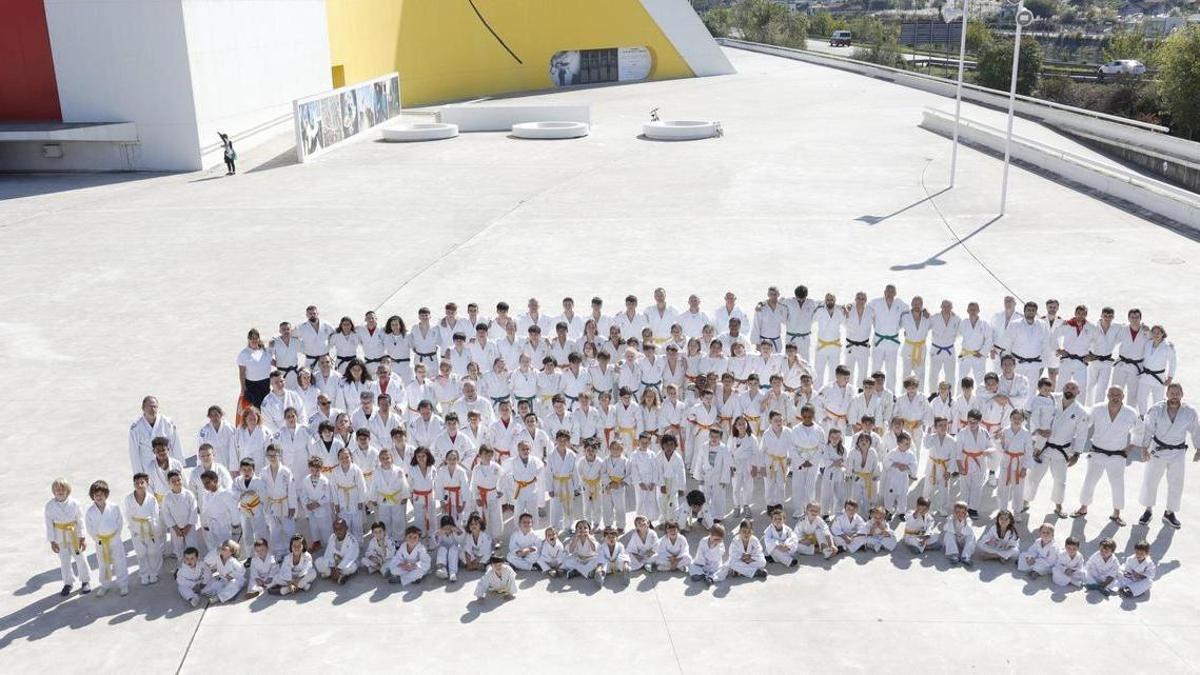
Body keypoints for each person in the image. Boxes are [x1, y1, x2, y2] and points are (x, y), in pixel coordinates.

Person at [1072, 386, 1139, 526]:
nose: (1115, 397)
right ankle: (1083, 507)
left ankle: (1117, 513)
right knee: (1089, 481)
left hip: (1118, 455)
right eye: (1112, 394)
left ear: (1123, 396)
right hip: (1097, 452)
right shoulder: (1097, 408)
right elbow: (1084, 423)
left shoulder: (1131, 412)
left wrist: (1130, 447)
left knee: (1118, 485)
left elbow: (1139, 431)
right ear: (1107, 395)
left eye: (1118, 394)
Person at [1137, 383, 1198, 530]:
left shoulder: (1189, 412)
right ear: (1167, 394)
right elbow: (1148, 429)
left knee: (1176, 483)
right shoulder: (1156, 409)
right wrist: (1144, 447)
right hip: (1158, 450)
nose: (1174, 396)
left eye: (1177, 393)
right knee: (1150, 480)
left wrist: (1199, 448)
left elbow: (1196, 430)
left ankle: (1169, 512)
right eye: (1172, 393)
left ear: (1182, 395)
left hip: (1177, 452)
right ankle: (1148, 510)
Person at [44, 478, 92, 596]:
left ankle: (85, 580)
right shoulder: (50, 506)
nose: (59, 492)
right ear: (53, 491)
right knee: (64, 561)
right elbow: (49, 524)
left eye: (62, 489)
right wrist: (52, 541)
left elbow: (80, 520)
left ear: (68, 490)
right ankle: (68, 583)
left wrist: (82, 537)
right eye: (57, 490)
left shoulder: (75, 503)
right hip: (60, 538)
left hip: (74, 535)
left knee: (80, 558)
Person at [85, 480, 128, 597]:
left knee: (119, 561)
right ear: (92, 496)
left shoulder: (114, 507)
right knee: (103, 563)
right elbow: (89, 528)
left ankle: (123, 584)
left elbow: (120, 522)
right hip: (101, 541)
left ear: (106, 495)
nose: (98, 497)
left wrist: (116, 536)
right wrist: (97, 539)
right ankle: (105, 585)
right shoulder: (90, 512)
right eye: (96, 495)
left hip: (114, 538)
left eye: (101, 495)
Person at [124, 473, 162, 586]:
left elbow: (156, 515)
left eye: (142, 483)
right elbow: (127, 515)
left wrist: (155, 530)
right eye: (137, 483)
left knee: (153, 551)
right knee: (141, 553)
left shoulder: (152, 499)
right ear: (133, 484)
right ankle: (144, 574)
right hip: (136, 528)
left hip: (150, 527)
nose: (139, 485)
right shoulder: (129, 499)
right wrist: (132, 528)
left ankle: (154, 572)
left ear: (147, 483)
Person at [316, 518, 359, 584]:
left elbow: (350, 557)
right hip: (334, 562)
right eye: (336, 529)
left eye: (341, 528)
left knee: (353, 566)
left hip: (345, 562)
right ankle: (340, 576)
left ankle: (331, 573)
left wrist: (338, 569)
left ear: (346, 528)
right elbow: (328, 554)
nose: (338, 531)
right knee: (318, 561)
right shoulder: (332, 537)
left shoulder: (352, 540)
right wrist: (333, 569)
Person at [942, 501, 976, 565]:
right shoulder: (950, 518)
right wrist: (953, 519)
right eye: (958, 512)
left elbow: (969, 531)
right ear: (954, 512)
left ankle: (965, 556)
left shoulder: (968, 520)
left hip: (963, 540)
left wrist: (965, 520)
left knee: (971, 536)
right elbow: (945, 528)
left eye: (963, 512)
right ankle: (954, 554)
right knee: (948, 534)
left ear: (966, 513)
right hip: (954, 540)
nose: (960, 514)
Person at [433, 515, 462, 582]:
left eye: (449, 528)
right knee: (442, 548)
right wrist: (438, 534)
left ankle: (452, 573)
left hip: (454, 554)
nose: (447, 530)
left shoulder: (455, 531)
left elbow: (461, 539)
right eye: (445, 528)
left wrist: (456, 531)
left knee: (453, 549)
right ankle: (442, 569)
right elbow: (436, 543)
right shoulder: (440, 532)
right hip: (445, 554)